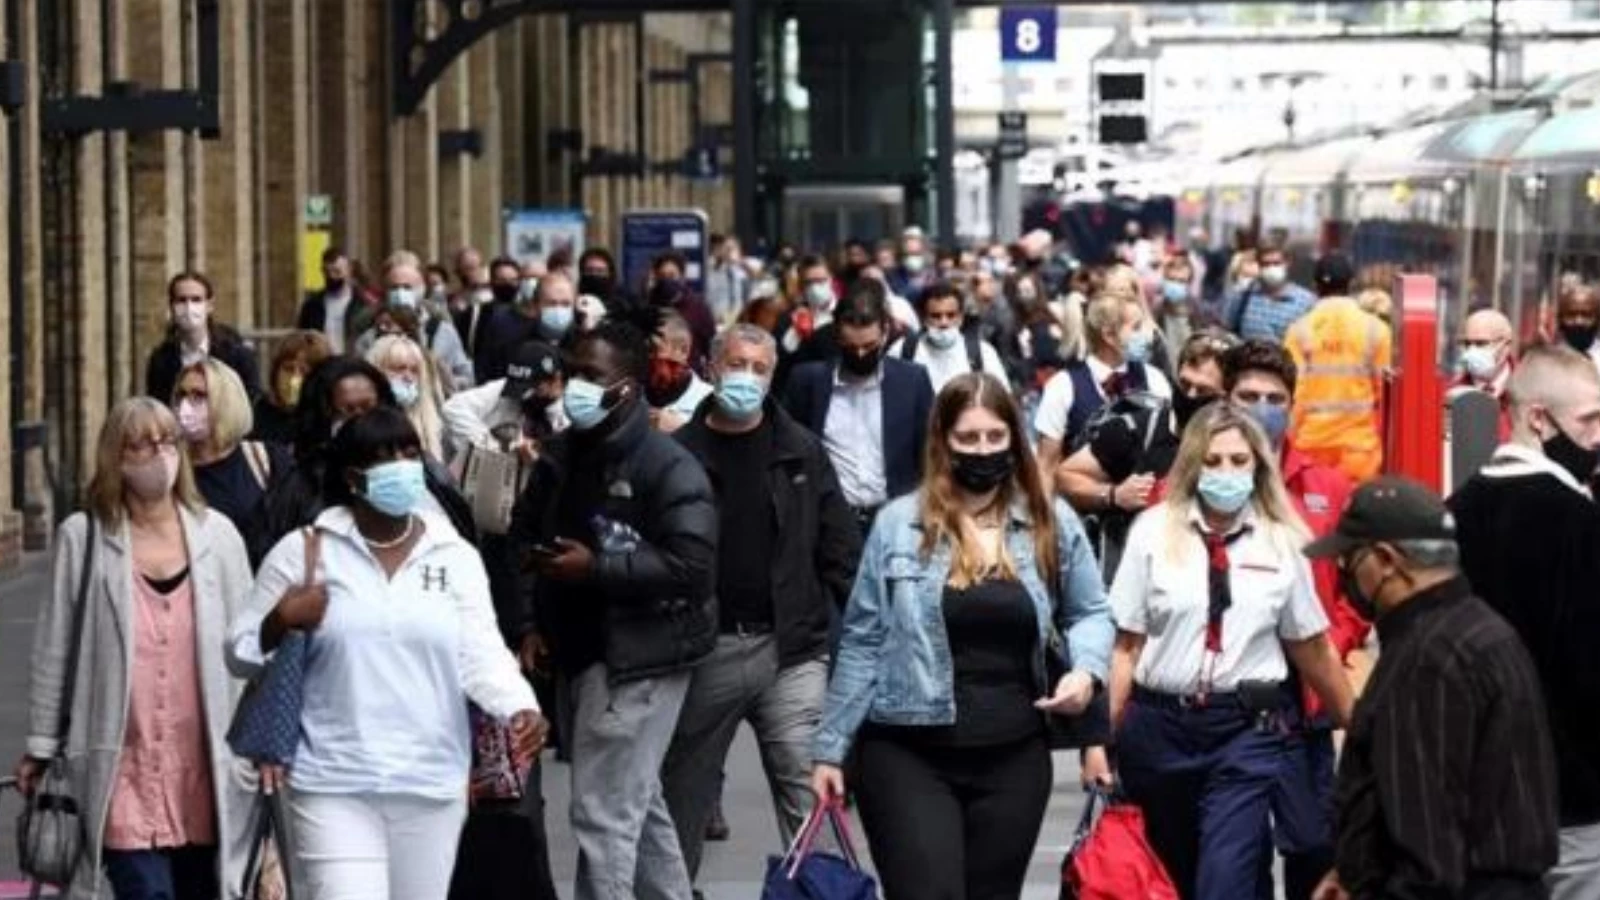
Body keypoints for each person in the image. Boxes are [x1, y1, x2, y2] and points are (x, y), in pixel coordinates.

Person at [809, 372, 1113, 900]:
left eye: (995, 437)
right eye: (968, 438)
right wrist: (831, 749)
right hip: (907, 749)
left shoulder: (1048, 522)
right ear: (943, 442)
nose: (983, 450)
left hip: (1014, 755)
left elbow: (1090, 611)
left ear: (1013, 440)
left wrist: (1086, 673)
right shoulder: (898, 525)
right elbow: (862, 639)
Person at [229, 407, 545, 900]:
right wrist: (281, 619)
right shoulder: (306, 551)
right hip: (331, 779)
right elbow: (239, 651)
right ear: (353, 477)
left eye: (410, 452)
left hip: (430, 779)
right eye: (385, 457)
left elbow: (480, 651)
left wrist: (519, 706)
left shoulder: (453, 555)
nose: (403, 465)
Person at [1108, 402, 1354, 900]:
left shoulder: (1282, 541)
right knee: (1173, 877)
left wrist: (1361, 727)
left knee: (1226, 878)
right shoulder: (1154, 531)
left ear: (1258, 467)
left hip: (1244, 730)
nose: (1226, 473)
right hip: (1160, 728)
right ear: (1194, 465)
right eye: (1214, 461)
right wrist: (1099, 740)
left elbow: (1311, 648)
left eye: (1239, 461)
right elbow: (1126, 646)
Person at [511, 317, 717, 900]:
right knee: (635, 801)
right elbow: (526, 536)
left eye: (589, 376)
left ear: (625, 387)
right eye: (571, 372)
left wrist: (595, 569)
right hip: (580, 652)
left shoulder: (669, 467)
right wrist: (531, 621)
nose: (574, 386)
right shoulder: (561, 456)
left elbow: (693, 568)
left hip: (642, 656)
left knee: (603, 815)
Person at [16, 397, 254, 899]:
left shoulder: (220, 538)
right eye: (141, 443)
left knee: (202, 888)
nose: (158, 453)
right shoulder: (84, 538)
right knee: (144, 891)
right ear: (116, 457)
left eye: (167, 440)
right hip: (118, 761)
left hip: (206, 765)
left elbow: (248, 649)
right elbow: (55, 646)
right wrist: (41, 743)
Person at [662, 324, 862, 885]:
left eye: (758, 368)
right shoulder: (678, 456)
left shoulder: (799, 449)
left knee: (810, 791)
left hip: (791, 651)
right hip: (706, 651)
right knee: (682, 799)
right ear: (710, 366)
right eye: (736, 364)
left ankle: (821, 894)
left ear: (772, 375)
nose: (746, 378)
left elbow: (840, 551)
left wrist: (876, 638)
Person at [1305, 477, 1559, 900]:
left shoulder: (1427, 660)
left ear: (1387, 560)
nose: (1345, 574)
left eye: (1350, 559)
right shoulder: (1480, 629)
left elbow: (1426, 852)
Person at [1447, 345, 1600, 899]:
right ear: (1539, 416)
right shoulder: (1581, 523)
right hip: (1571, 802)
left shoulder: (1453, 512)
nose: (1598, 436)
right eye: (1589, 419)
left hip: (1469, 795)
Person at [1221, 340, 1365, 900]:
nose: (1263, 407)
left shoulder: (1327, 488)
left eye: (1275, 397)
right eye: (1249, 396)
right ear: (1225, 401)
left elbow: (1358, 586)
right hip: (1226, 700)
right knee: (1237, 851)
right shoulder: (1197, 484)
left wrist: (1335, 639)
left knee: (1310, 842)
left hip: (1301, 701)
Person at [253, 356, 475, 564]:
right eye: (349, 411)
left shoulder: (423, 470)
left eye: (370, 408)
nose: (363, 421)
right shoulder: (302, 489)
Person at [1054, 329, 1234, 578]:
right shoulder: (1134, 430)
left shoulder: (1236, 449)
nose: (1190, 396)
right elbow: (1065, 476)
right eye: (1184, 384)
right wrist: (1113, 495)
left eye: (1203, 391)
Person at [783, 279, 935, 536]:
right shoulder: (807, 383)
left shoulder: (913, 382)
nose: (861, 355)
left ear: (885, 332)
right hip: (829, 526)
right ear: (836, 337)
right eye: (851, 347)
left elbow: (931, 454)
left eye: (870, 346)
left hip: (897, 524)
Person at [1033, 290, 1174, 476]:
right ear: (1108, 335)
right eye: (1136, 327)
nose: (1147, 335)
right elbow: (1047, 465)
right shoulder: (1063, 386)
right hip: (1079, 501)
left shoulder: (1154, 378)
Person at [1284, 254, 1391, 484]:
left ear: (1315, 286)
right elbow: (1385, 394)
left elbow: (1294, 393)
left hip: (1311, 447)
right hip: (1359, 448)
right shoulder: (1377, 330)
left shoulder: (1299, 331)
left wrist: (1286, 442)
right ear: (1351, 284)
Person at [172, 358, 289, 568]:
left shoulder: (266, 460)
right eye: (182, 395)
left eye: (199, 396)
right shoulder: (171, 470)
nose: (186, 405)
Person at [359, 252, 475, 393]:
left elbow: (466, 377)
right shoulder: (368, 335)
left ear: (422, 288)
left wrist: (439, 381)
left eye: (407, 287)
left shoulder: (442, 331)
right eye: (394, 288)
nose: (401, 293)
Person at [146, 271, 262, 406]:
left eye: (196, 299)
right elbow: (158, 407)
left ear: (209, 305)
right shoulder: (161, 360)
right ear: (172, 306)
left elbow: (252, 402)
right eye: (181, 300)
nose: (189, 307)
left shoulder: (238, 355)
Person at [443, 339, 568, 454]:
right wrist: (492, 445)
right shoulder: (507, 387)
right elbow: (452, 409)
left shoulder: (569, 411)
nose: (524, 395)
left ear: (556, 379)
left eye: (534, 387)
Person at [887, 280, 1010, 394]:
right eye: (936, 316)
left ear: (961, 317)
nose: (944, 323)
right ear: (923, 318)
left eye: (951, 315)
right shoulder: (903, 350)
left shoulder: (983, 353)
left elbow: (1002, 398)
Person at [475, 272, 577, 385]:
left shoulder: (584, 346)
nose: (559, 310)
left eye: (566, 304)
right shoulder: (511, 343)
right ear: (535, 306)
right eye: (551, 304)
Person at [368, 334, 447, 462]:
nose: (408, 377)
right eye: (399, 369)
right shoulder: (364, 423)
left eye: (414, 370)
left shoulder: (431, 422)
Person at [252, 330, 332, 447]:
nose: (294, 380)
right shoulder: (256, 412)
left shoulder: (326, 420)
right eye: (288, 369)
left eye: (304, 372)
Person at [1223, 243, 1316, 343]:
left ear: (1287, 263)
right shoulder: (1242, 297)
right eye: (1266, 264)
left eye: (1276, 263)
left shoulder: (1305, 302)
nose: (1271, 268)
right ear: (1259, 265)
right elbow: (1227, 332)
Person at [297, 246, 377, 354]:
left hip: (353, 363)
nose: (332, 276)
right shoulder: (312, 306)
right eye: (327, 272)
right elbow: (302, 339)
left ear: (349, 270)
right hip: (322, 364)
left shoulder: (364, 305)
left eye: (337, 271)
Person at [1454, 307, 1517, 442]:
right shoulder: (1451, 395)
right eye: (1467, 344)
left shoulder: (1527, 392)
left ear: (1506, 345)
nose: (1471, 351)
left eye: (1481, 343)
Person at [647, 311, 714, 434]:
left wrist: (683, 431)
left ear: (683, 351)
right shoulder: (628, 396)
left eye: (652, 349)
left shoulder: (711, 403)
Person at [647, 252, 716, 367]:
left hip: (690, 371)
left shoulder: (698, 307)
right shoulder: (650, 306)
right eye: (662, 276)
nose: (666, 281)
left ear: (682, 277)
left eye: (671, 276)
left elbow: (710, 346)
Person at [1555, 282, 1600, 377]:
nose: (1578, 322)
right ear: (1559, 320)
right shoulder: (1547, 362)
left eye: (1586, 315)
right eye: (1571, 315)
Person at [705, 233, 751, 324]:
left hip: (737, 319)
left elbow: (756, 278)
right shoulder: (710, 269)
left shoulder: (738, 269)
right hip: (717, 319)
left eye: (733, 248)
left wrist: (741, 262)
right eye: (727, 248)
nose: (729, 252)